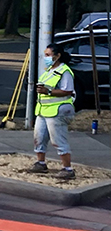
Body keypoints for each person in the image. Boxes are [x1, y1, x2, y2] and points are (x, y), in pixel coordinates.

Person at [31, 44, 76, 180]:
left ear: (57, 56)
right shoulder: (49, 70)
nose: (45, 58)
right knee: (39, 137)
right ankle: (40, 163)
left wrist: (48, 91)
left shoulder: (64, 71)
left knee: (58, 140)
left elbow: (68, 90)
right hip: (44, 110)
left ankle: (67, 168)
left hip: (58, 111)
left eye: (48, 55)